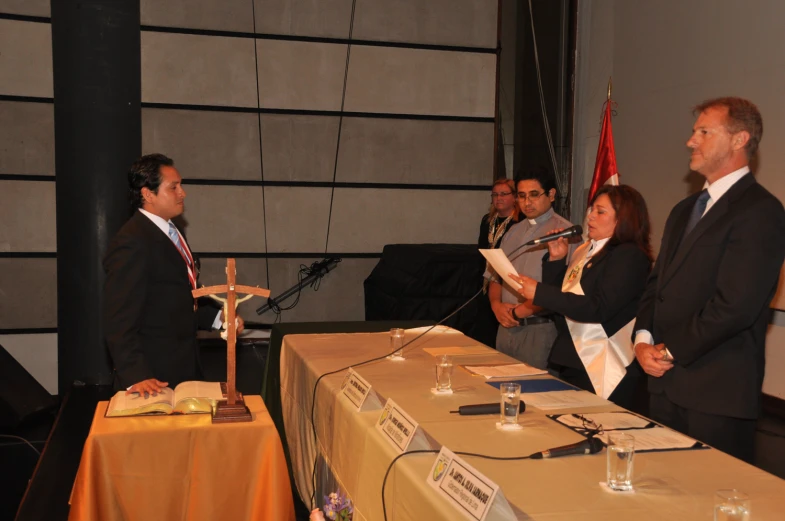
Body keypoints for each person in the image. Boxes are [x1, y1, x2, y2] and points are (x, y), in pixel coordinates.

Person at [634, 97, 785, 462]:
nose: (691, 141)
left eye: (703, 131)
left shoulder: (760, 211)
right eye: (693, 132)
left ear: (739, 139)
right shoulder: (685, 209)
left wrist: (668, 350)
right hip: (663, 385)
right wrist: (642, 339)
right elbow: (658, 286)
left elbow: (736, 307)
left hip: (716, 395)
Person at [103, 153, 244, 396]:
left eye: (181, 185)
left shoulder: (171, 231)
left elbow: (181, 293)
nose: (183, 193)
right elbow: (119, 317)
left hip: (185, 365)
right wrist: (136, 374)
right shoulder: (132, 241)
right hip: (153, 376)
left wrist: (219, 319)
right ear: (148, 194)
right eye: (173, 187)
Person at [511, 185, 652, 410]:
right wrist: (557, 260)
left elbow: (598, 308)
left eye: (600, 211)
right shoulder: (585, 251)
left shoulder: (629, 255)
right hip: (571, 358)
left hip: (603, 362)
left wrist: (539, 291)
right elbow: (558, 303)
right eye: (591, 210)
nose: (591, 216)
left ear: (623, 219)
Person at [486, 169, 574, 369]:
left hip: (540, 330)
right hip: (505, 328)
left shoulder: (565, 232)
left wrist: (521, 311)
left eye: (534, 195)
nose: (527, 202)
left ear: (551, 195)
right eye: (522, 196)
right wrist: (496, 306)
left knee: (536, 396)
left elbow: (562, 291)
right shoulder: (512, 232)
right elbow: (494, 277)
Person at [478, 178, 520, 249]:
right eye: (495, 194)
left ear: (514, 197)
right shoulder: (487, 220)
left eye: (503, 194)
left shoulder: (521, 221)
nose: (498, 198)